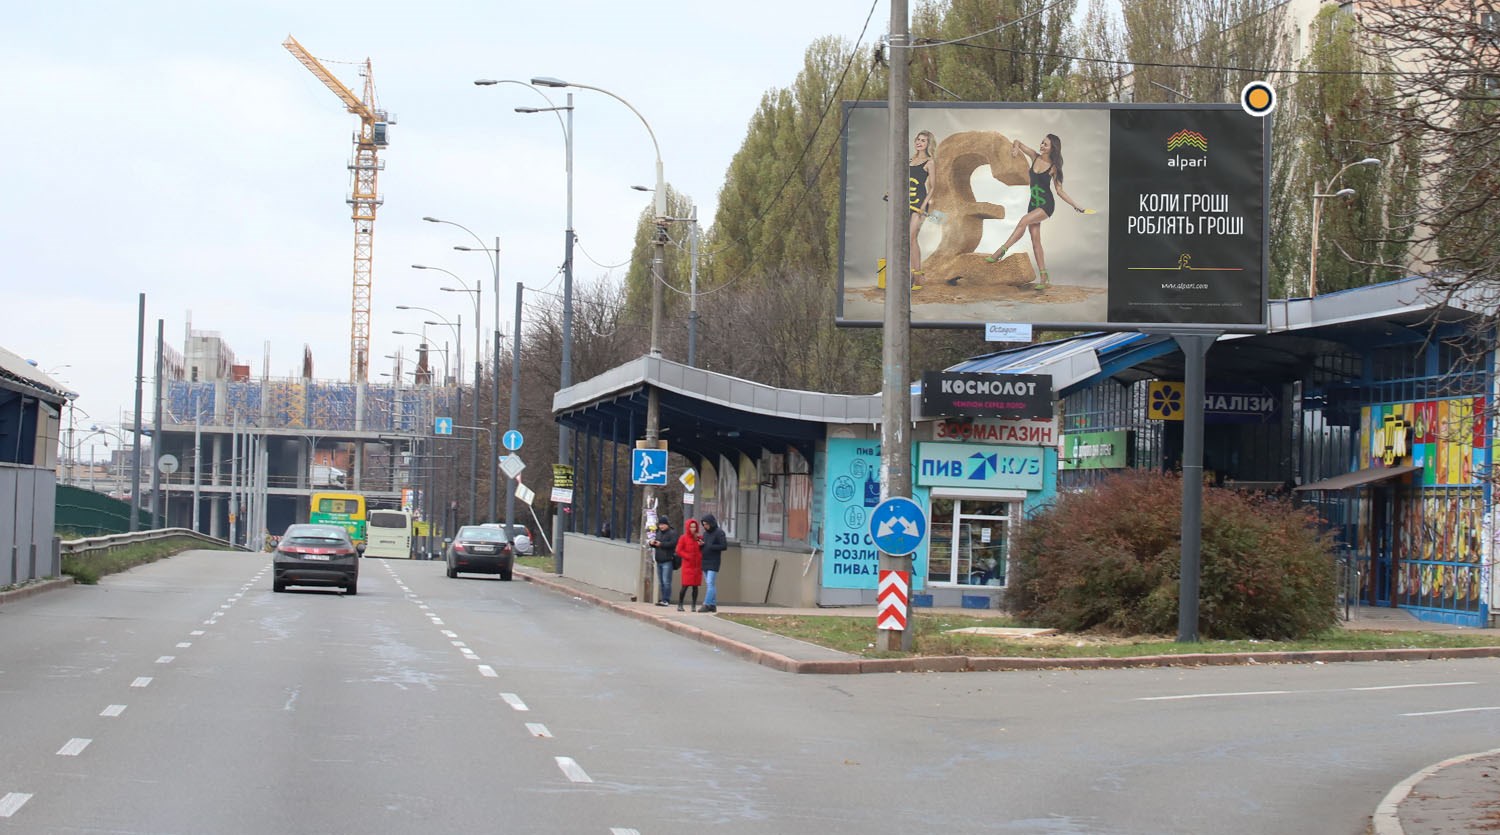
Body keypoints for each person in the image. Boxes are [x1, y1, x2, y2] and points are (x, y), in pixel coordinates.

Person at [985, 134, 1087, 290]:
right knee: (1035, 242)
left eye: (1045, 145)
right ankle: (1044, 277)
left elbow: (1059, 191)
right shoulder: (1034, 156)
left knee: (1023, 221)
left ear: (1053, 148)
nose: (1042, 146)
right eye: (1042, 142)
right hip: (1033, 204)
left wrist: (1076, 205)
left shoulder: (1054, 167)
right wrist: (1015, 149)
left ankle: (1001, 251)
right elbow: (1018, 141)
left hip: (1046, 205)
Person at [908, 130, 938, 289]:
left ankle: (917, 276)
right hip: (905, 200)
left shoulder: (930, 162)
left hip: (920, 202)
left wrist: (923, 206)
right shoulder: (909, 160)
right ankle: (915, 275)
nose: (919, 142)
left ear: (928, 144)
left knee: (911, 237)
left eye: (923, 140)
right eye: (918, 139)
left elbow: (933, 187)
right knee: (909, 240)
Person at [646, 519, 679, 607]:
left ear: (667, 524)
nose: (661, 526)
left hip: (667, 560)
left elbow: (673, 544)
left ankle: (666, 599)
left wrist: (661, 544)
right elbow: (655, 543)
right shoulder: (658, 533)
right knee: (661, 582)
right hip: (659, 560)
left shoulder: (672, 533)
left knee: (666, 581)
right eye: (660, 525)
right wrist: (652, 543)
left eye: (663, 524)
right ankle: (663, 598)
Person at [699, 514, 727, 613]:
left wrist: (711, 546)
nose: (705, 526)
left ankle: (706, 604)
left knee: (710, 583)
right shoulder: (705, 534)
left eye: (706, 524)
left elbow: (724, 546)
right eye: (703, 524)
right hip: (705, 560)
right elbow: (704, 545)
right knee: (710, 583)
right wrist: (701, 545)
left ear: (711, 523)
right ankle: (713, 604)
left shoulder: (719, 533)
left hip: (714, 561)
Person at [675, 519, 704, 611]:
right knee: (685, 585)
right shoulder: (683, 538)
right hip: (688, 565)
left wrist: (701, 547)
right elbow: (678, 550)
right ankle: (680, 604)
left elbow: (702, 549)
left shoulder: (699, 537)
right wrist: (687, 556)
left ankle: (693, 605)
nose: (693, 529)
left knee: (695, 586)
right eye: (691, 527)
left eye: (694, 527)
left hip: (697, 565)